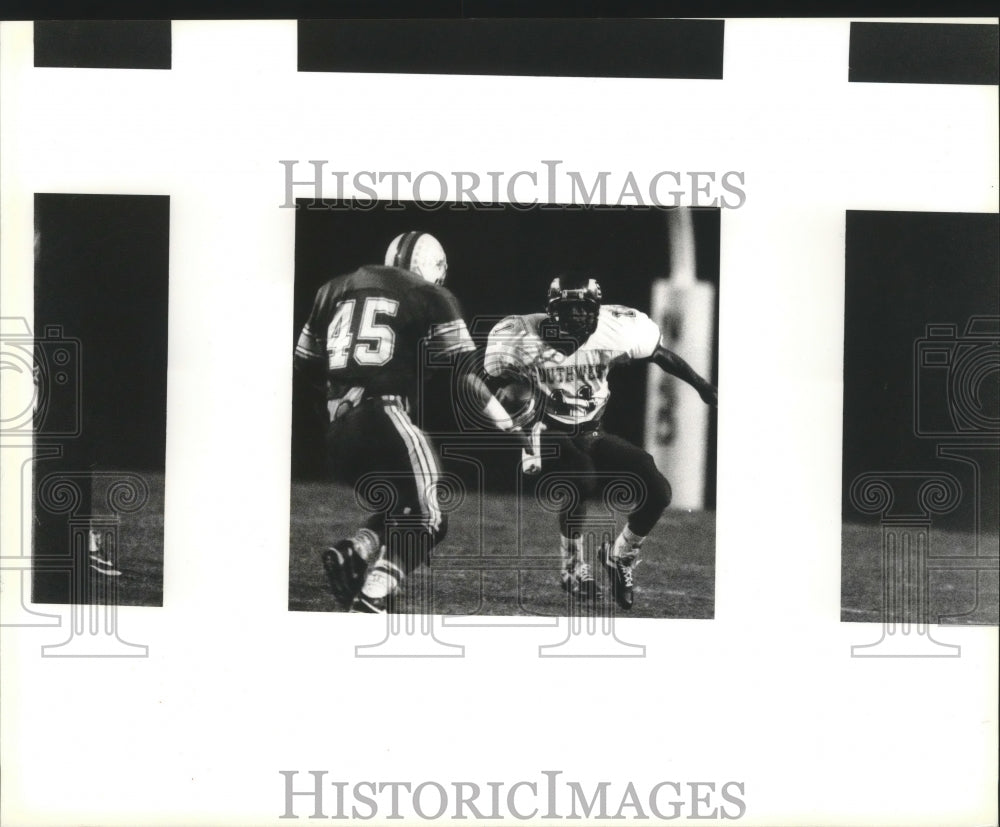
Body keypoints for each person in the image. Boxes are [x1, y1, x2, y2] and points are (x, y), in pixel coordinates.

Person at [295, 231, 523, 612]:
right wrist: (513, 428)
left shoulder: (331, 289)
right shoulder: (431, 296)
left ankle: (356, 550)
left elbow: (303, 366)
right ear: (433, 267)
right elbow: (466, 379)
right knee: (430, 518)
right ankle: (375, 595)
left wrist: (336, 407)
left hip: (338, 429)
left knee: (404, 503)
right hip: (384, 415)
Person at [484, 275, 717, 609]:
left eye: (583, 310)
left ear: (596, 309)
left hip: (591, 430)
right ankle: (571, 569)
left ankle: (620, 555)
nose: (577, 317)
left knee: (658, 489)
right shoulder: (522, 336)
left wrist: (703, 387)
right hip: (547, 428)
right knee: (580, 476)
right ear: (551, 311)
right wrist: (518, 426)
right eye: (568, 310)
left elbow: (659, 354)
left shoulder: (617, 328)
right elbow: (487, 385)